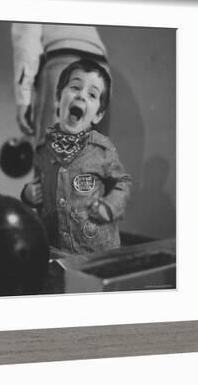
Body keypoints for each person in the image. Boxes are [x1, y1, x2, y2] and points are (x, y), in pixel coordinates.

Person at [21, 59, 131, 254]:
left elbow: (123, 182)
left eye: (92, 94)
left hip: (96, 251)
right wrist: (28, 194)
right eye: (75, 87)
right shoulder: (42, 149)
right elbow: (40, 186)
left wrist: (109, 207)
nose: (81, 96)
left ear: (97, 115)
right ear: (57, 99)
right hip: (54, 248)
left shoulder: (102, 149)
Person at [11, 23, 109, 144]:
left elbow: (27, 42)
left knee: (50, 155)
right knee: (93, 154)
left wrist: (23, 98)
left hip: (62, 56)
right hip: (101, 65)